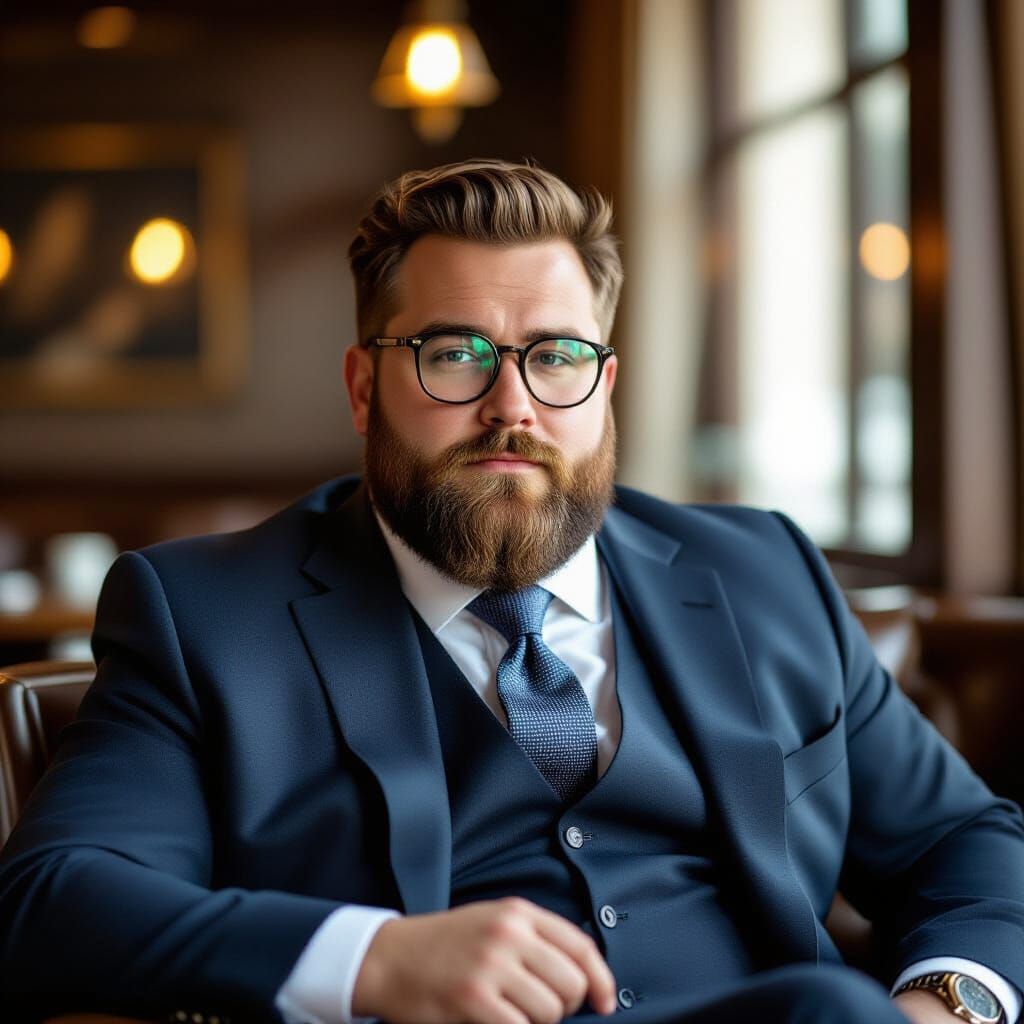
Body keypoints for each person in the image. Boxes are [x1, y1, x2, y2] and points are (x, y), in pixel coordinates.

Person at [1, 159, 1022, 1024]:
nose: (511, 406)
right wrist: (377, 960)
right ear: (363, 387)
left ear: (604, 384)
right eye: (454, 355)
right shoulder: (204, 615)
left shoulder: (760, 572)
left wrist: (947, 1000)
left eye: (557, 357)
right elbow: (52, 901)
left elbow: (962, 837)